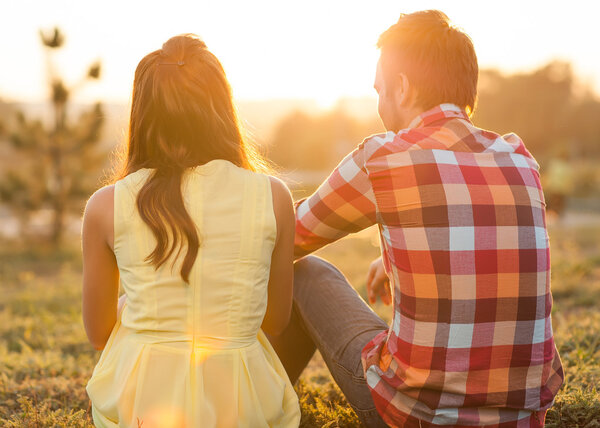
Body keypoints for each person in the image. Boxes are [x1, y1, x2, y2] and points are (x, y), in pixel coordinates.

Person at [270, 10, 564, 428]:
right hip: (523, 414)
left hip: (418, 415)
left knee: (307, 274)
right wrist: (390, 260)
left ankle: (255, 401)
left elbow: (289, 236)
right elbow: (471, 236)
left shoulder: (383, 158)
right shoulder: (518, 157)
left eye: (380, 89)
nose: (379, 104)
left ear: (403, 87)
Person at [81, 34, 300, 428]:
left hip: (141, 404)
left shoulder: (105, 205)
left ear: (143, 113)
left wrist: (135, 306)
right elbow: (275, 321)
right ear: (222, 106)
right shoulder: (274, 197)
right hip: (241, 403)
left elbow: (99, 335)